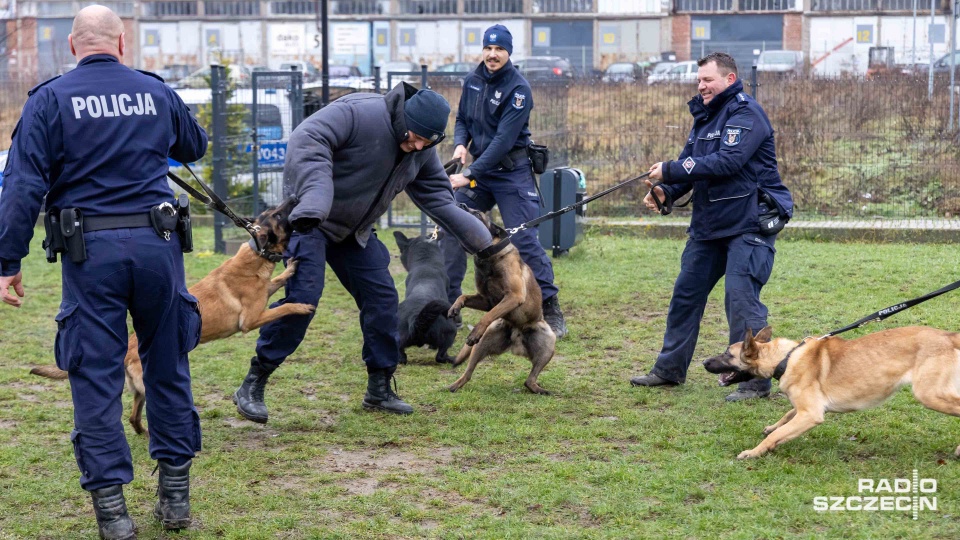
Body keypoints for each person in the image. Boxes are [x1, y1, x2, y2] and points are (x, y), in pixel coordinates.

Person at [0, 6, 208, 539]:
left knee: (95, 377)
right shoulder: (155, 91)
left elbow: (23, 187)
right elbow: (195, 147)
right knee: (168, 366)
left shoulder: (48, 99)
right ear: (121, 43)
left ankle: (114, 517)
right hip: (159, 246)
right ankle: (176, 500)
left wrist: (7, 262)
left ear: (73, 46)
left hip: (90, 253)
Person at [232, 83, 494, 422]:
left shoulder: (421, 147)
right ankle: (254, 382)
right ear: (403, 118)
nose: (416, 146)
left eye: (425, 143)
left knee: (383, 301)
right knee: (304, 301)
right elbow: (307, 138)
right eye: (413, 137)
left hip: (354, 232)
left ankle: (380, 388)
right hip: (311, 221)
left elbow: (438, 198)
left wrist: (482, 242)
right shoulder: (358, 114)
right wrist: (314, 198)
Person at [628, 52, 793, 402]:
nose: (701, 86)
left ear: (729, 80)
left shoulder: (747, 113)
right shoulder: (705, 116)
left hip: (748, 223)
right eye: (699, 80)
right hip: (709, 225)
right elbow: (696, 166)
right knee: (685, 295)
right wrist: (665, 191)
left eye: (708, 80)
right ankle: (669, 370)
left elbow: (728, 162)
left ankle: (754, 381)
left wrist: (670, 171)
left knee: (741, 301)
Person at [442, 24, 568, 339]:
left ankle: (550, 305)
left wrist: (468, 174)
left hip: (511, 172)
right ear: (483, 50)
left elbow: (502, 142)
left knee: (522, 238)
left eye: (499, 49)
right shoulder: (472, 80)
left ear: (508, 52)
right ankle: (450, 305)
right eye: (488, 48)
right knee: (453, 224)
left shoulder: (519, 89)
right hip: (480, 176)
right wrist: (461, 143)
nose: (493, 54)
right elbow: (462, 120)